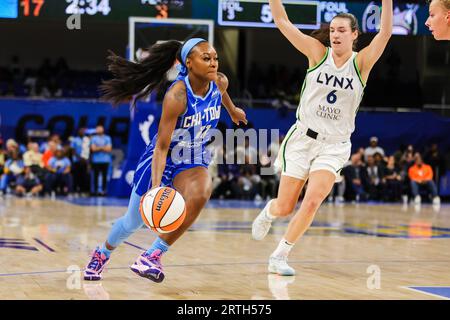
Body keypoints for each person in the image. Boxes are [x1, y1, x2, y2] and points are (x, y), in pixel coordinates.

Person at [84, 38, 247, 282]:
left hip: (192, 156)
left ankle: (151, 256)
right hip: (164, 156)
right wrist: (156, 186)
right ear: (189, 63)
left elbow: (223, 95)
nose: (213, 63)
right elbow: (161, 147)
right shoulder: (177, 96)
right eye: (206, 58)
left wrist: (232, 110)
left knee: (202, 192)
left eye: (215, 58)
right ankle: (101, 253)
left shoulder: (220, 82)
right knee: (132, 222)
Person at [252, 0, 392, 276]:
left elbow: (385, 32)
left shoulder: (361, 63)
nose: (335, 35)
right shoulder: (317, 54)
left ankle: (280, 255)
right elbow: (283, 22)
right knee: (285, 206)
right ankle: (269, 211)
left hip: (335, 145)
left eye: (342, 30)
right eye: (332, 31)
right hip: (303, 139)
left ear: (355, 34)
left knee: (313, 200)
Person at [90, 125, 112, 196]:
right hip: (96, 160)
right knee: (95, 176)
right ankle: (95, 191)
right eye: (97, 129)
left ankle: (103, 191)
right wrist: (103, 148)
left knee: (104, 176)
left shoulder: (107, 138)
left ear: (103, 129)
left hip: (105, 160)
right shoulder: (93, 138)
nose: (99, 130)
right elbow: (93, 149)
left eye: (100, 129)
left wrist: (98, 148)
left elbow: (109, 149)